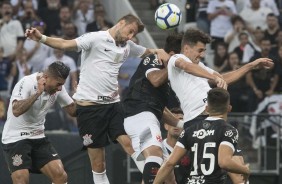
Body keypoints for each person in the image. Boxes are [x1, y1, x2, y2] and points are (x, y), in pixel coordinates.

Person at [25, 13, 170, 184]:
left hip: (113, 106)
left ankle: (153, 180)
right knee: (99, 163)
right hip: (89, 109)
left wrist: (158, 50)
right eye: (130, 31)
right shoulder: (95, 38)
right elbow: (65, 44)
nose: (130, 37)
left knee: (130, 145)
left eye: (133, 35)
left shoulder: (128, 46)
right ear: (121, 23)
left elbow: (146, 52)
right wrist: (41, 37)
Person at [123, 33, 225, 184]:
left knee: (168, 174)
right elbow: (155, 80)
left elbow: (161, 109)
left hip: (147, 116)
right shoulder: (153, 60)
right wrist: (172, 63)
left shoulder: (168, 86)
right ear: (172, 54)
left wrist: (182, 125)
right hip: (139, 114)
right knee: (155, 153)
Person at [167, 29, 273, 128]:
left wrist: (250, 66)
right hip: (196, 117)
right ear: (186, 48)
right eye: (200, 50)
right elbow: (187, 67)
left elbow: (222, 78)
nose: (202, 55)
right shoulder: (176, 58)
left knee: (228, 144)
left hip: (212, 114)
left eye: (204, 51)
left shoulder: (200, 66)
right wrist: (214, 77)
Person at [153, 88, 250, 184]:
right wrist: (244, 169)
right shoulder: (228, 130)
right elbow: (224, 162)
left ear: (206, 108)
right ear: (229, 108)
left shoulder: (189, 130)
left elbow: (169, 163)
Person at [1, 61, 76, 184]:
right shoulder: (26, 83)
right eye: (58, 84)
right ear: (46, 78)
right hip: (15, 138)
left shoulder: (58, 89)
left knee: (60, 175)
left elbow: (73, 112)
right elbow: (16, 110)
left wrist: (80, 97)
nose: (60, 88)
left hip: (38, 137)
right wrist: (37, 93)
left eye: (62, 84)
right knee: (21, 180)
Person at [162, 108, 190, 184]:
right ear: (166, 126)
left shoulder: (192, 149)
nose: (175, 124)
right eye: (172, 120)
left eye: (180, 120)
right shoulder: (157, 149)